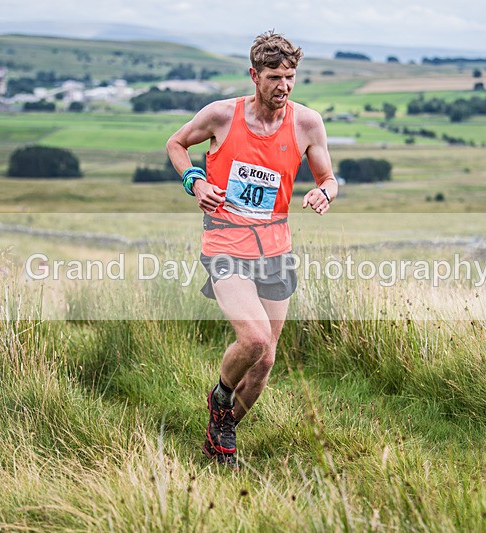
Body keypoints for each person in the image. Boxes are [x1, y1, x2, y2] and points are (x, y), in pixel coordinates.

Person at [166, 31, 338, 469]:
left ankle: (219, 436)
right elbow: (176, 145)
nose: (284, 86)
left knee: (265, 363)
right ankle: (220, 399)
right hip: (226, 243)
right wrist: (195, 181)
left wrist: (326, 193)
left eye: (291, 77)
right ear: (254, 75)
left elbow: (327, 178)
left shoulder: (307, 123)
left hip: (275, 249)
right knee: (255, 339)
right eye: (275, 77)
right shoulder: (221, 115)